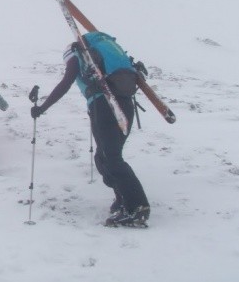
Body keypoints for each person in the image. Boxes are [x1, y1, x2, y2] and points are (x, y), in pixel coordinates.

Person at [31, 42, 150, 227]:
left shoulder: (75, 54)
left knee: (111, 159)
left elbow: (66, 82)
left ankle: (137, 208)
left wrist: (43, 107)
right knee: (104, 157)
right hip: (125, 103)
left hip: (103, 105)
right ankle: (122, 199)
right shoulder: (105, 57)